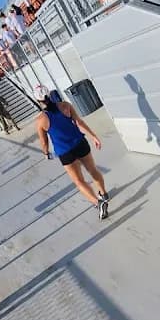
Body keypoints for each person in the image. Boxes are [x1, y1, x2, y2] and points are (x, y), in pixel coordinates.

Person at [35, 85, 109, 220]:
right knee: (93, 170)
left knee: (79, 181)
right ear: (50, 95)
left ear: (38, 100)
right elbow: (79, 122)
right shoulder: (65, 106)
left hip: (65, 152)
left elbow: (44, 141)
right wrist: (93, 136)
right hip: (80, 143)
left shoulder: (40, 120)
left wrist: (46, 153)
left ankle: (98, 203)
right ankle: (104, 194)